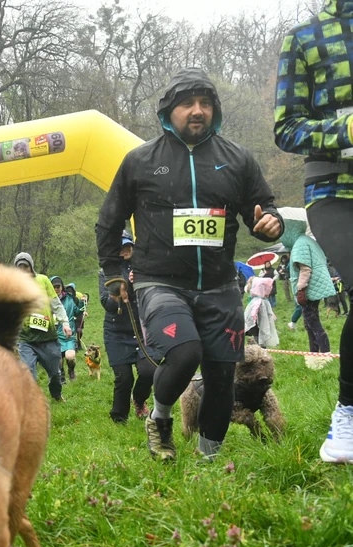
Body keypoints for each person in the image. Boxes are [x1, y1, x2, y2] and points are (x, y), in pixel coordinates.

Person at [98, 67, 284, 462]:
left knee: (221, 375)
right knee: (185, 352)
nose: (197, 110)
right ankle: (160, 418)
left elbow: (263, 209)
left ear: (215, 110)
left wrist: (271, 223)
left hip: (220, 285)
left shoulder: (237, 159)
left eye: (205, 103)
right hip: (159, 281)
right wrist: (113, 272)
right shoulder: (141, 160)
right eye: (187, 103)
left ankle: (209, 461)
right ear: (169, 111)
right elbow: (109, 221)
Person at [275, 3, 353, 462]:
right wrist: (344, 129)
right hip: (334, 188)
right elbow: (286, 128)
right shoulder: (305, 38)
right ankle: (348, 414)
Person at [98, 233, 158, 424]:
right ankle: (119, 417)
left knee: (150, 371)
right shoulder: (106, 272)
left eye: (127, 246)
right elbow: (107, 304)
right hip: (116, 332)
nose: (124, 250)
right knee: (124, 378)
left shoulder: (145, 266)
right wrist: (119, 290)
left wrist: (141, 280)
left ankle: (139, 400)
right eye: (120, 247)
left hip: (142, 330)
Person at [14, 253, 71, 403]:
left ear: (31, 266)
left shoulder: (43, 280)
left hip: (47, 337)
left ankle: (56, 394)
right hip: (26, 339)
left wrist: (65, 323)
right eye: (20, 267)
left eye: (25, 266)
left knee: (55, 373)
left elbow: (56, 304)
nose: (23, 270)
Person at [282, 218, 333, 355]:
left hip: (309, 289)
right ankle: (314, 354)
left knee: (313, 323)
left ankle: (326, 354)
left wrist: (301, 290)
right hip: (315, 287)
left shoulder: (300, 244)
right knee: (309, 324)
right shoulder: (308, 241)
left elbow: (305, 269)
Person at [50, 276, 80, 384]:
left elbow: (77, 311)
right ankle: (61, 375)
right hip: (54, 335)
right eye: (53, 287)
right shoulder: (47, 301)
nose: (56, 289)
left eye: (58, 286)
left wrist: (82, 305)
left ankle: (71, 371)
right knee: (58, 359)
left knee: (70, 356)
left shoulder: (69, 299)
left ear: (62, 287)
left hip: (68, 334)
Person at [244, 277, 279, 348]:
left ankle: (258, 348)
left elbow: (252, 314)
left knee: (258, 340)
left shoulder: (259, 301)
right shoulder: (261, 301)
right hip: (258, 325)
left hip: (258, 325)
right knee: (259, 339)